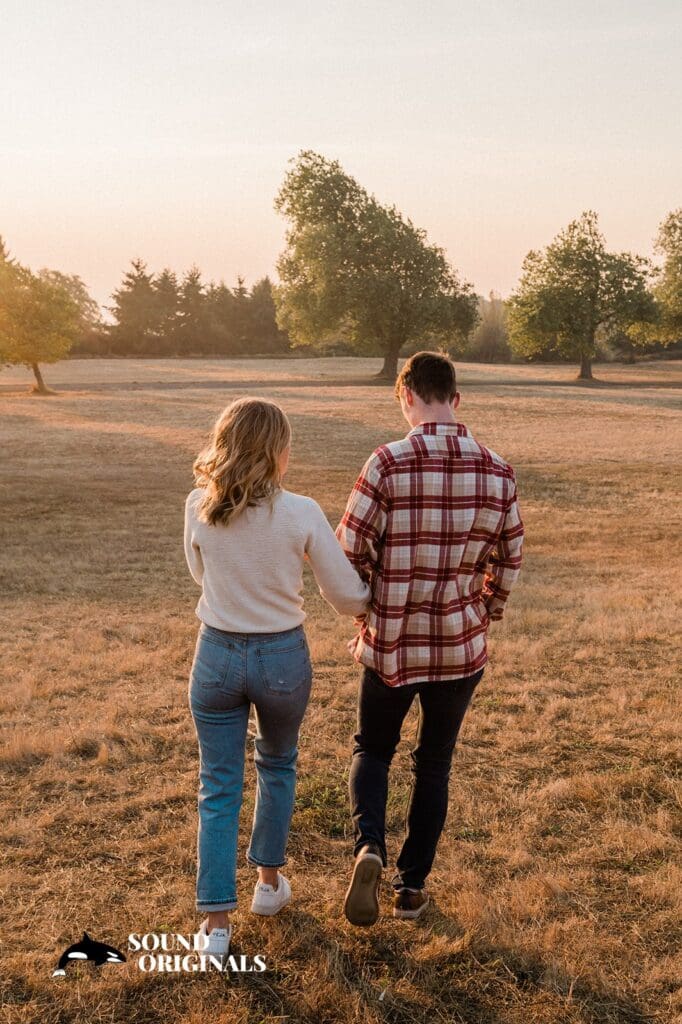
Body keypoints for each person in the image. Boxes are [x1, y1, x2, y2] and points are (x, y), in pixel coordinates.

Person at [336, 350, 524, 925]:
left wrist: (370, 603)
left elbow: (349, 549)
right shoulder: (497, 469)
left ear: (406, 395)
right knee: (434, 763)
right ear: (456, 399)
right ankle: (411, 889)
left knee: (374, 749)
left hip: (392, 641)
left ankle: (369, 846)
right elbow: (510, 557)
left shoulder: (386, 462)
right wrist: (485, 608)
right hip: (460, 645)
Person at [184, 397, 370, 957]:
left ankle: (216, 925)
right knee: (278, 764)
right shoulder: (302, 512)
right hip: (281, 658)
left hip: (216, 653)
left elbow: (199, 573)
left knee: (218, 785)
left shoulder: (197, 504)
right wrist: (373, 599)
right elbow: (346, 595)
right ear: (278, 452)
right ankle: (267, 886)